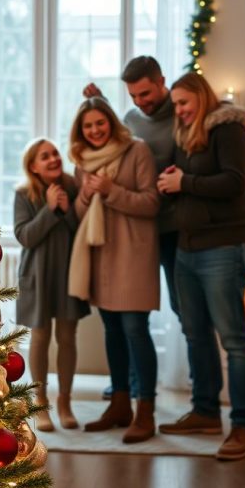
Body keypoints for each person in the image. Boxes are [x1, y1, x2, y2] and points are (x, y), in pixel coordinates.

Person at [156, 72, 245, 461]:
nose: (178, 110)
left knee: (234, 340)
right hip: (188, 247)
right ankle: (205, 411)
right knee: (195, 333)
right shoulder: (188, 134)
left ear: (202, 97)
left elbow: (234, 183)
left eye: (184, 103)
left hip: (224, 246)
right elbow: (189, 180)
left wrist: (185, 183)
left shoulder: (228, 127)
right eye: (176, 104)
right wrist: (172, 182)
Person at [84, 56, 178, 399]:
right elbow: (114, 141)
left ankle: (193, 400)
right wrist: (102, 104)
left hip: (173, 226)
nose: (140, 102)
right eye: (134, 96)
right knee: (119, 317)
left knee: (174, 314)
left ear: (162, 80)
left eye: (145, 93)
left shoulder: (178, 115)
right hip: (133, 231)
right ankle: (127, 385)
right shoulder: (131, 120)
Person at [68, 97, 160, 443]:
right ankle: (120, 405)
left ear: (111, 123)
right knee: (112, 330)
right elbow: (80, 215)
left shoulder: (137, 151)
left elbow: (151, 203)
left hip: (134, 255)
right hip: (102, 257)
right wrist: (86, 195)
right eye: (88, 126)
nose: (94, 131)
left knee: (135, 329)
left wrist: (110, 190)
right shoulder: (82, 163)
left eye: (99, 123)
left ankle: (146, 412)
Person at [14, 139, 89, 432]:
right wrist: (49, 208)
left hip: (69, 273)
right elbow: (26, 236)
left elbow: (80, 228)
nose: (53, 159)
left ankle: (65, 402)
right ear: (34, 166)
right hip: (38, 276)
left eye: (55, 153)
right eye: (45, 156)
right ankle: (41, 403)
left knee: (68, 337)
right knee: (40, 337)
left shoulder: (73, 187)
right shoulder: (24, 195)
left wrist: (67, 208)